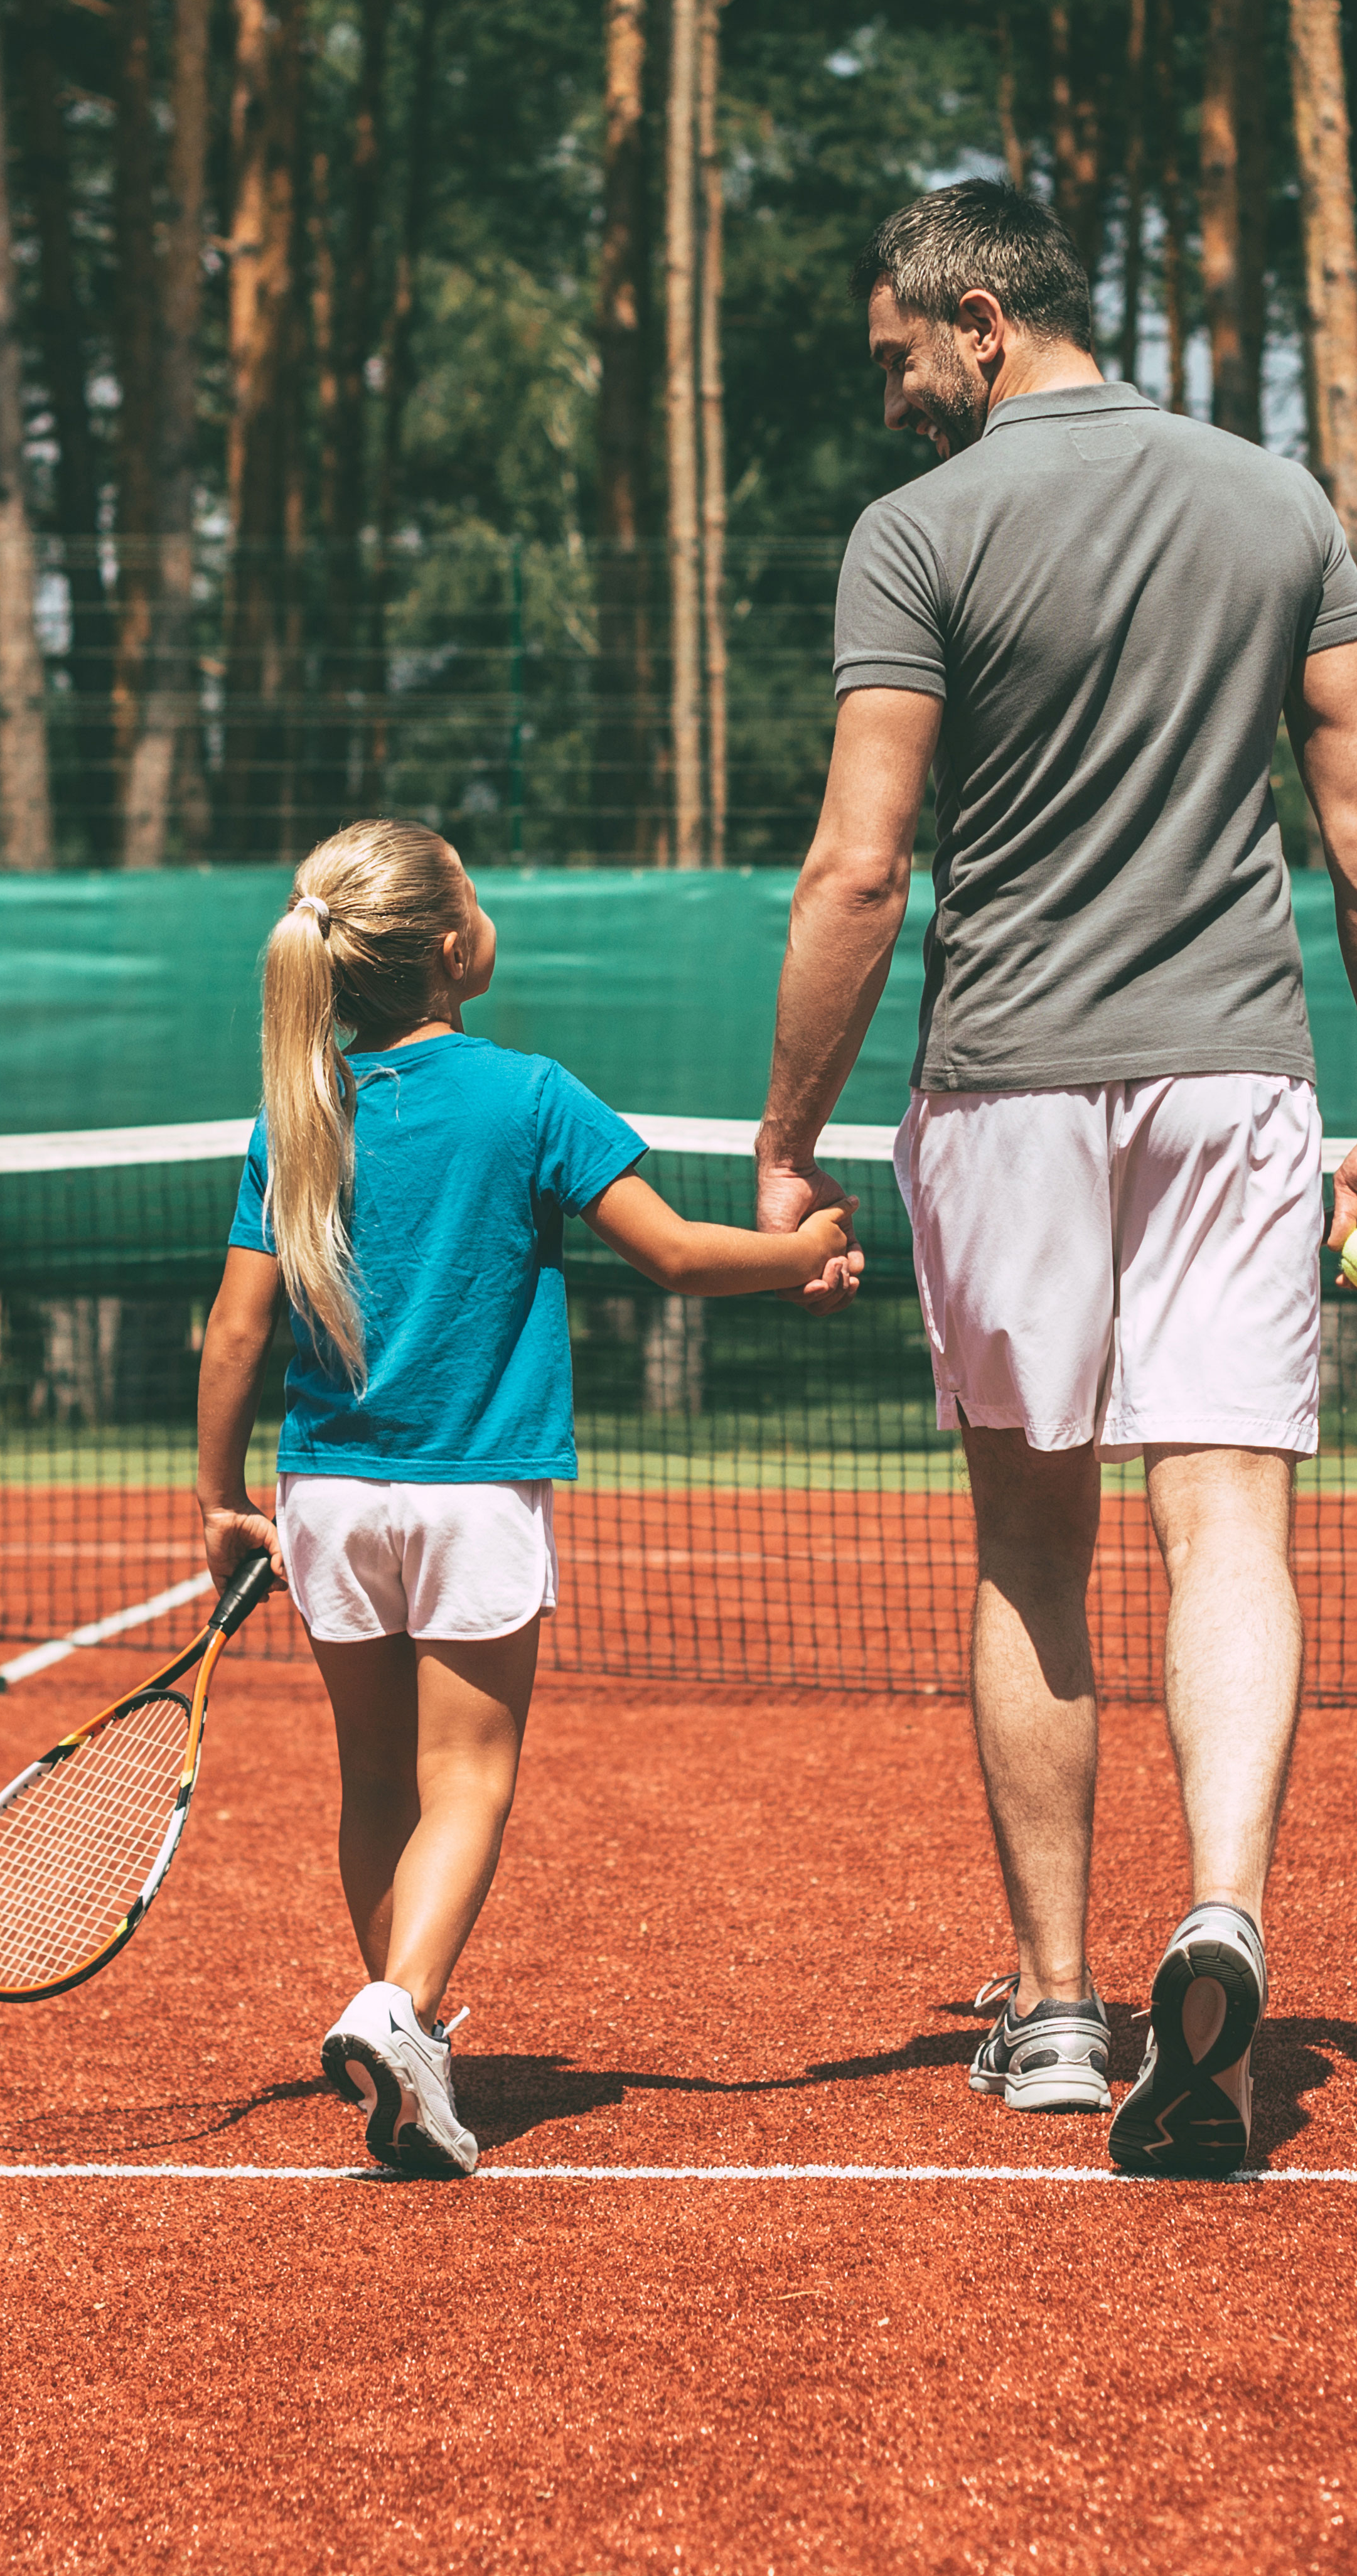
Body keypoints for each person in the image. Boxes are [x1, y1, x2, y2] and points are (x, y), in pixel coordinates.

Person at [753, 181, 1357, 2180]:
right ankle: (1219, 1922)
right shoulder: (1279, 503)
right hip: (1238, 1077)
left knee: (1031, 1549)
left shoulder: (918, 535)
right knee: (1228, 1524)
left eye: (898, 352)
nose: (893, 394)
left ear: (978, 319)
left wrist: (791, 1139)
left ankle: (1059, 2014)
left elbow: (861, 867)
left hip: (1006, 1090)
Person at [196, 817, 858, 2180]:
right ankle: (398, 2013)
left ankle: (403, 2027)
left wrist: (218, 1498)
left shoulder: (297, 1113)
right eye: (479, 901)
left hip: (324, 1498)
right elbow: (673, 1256)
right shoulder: (530, 1093)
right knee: (469, 1780)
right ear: (453, 951)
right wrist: (795, 1253)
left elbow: (232, 1336)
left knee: (374, 1777)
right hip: (472, 1500)